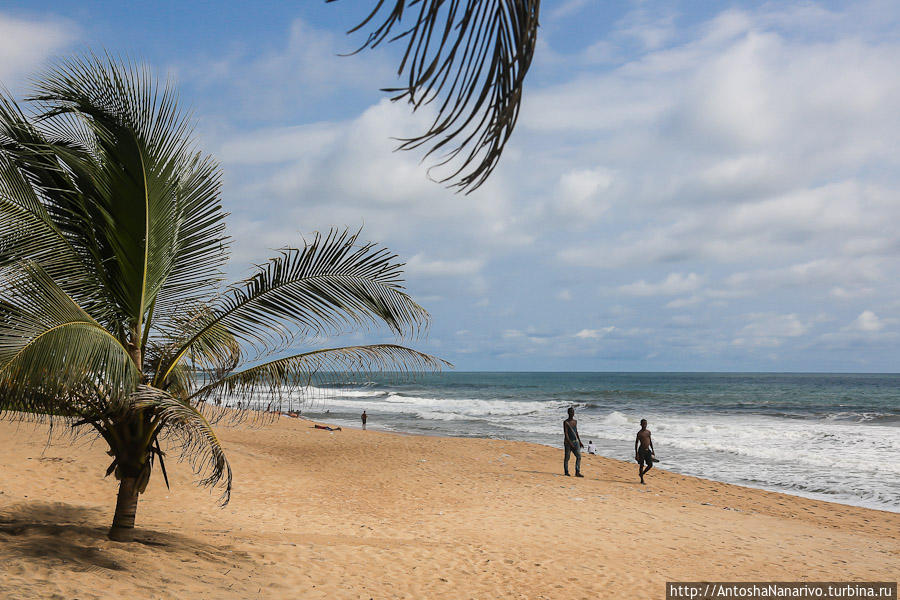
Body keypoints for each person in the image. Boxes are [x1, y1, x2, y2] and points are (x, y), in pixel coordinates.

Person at [563, 406, 584, 477]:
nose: (572, 413)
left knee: (579, 457)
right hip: (568, 443)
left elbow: (576, 432)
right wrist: (570, 443)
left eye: (573, 412)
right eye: (571, 412)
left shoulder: (575, 422)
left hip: (576, 442)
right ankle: (566, 472)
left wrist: (580, 442)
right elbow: (566, 433)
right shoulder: (565, 422)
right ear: (568, 413)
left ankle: (577, 472)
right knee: (567, 458)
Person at [634, 418, 655, 484]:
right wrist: (636, 453)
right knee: (641, 465)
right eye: (643, 424)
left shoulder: (648, 432)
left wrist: (653, 450)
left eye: (645, 424)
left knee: (650, 465)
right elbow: (636, 443)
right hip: (641, 451)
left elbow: (650, 441)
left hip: (648, 450)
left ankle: (642, 473)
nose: (644, 425)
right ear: (641, 425)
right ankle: (642, 480)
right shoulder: (639, 433)